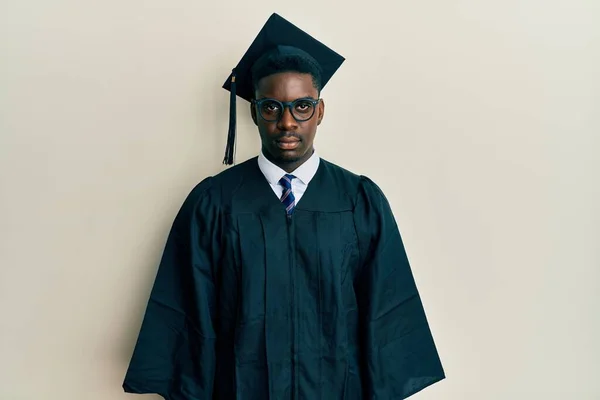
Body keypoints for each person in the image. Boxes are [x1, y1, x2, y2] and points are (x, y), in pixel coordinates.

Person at [123, 13, 445, 400]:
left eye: (302, 106)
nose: (287, 122)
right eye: (272, 107)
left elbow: (387, 312)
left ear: (320, 112)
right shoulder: (214, 202)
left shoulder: (358, 201)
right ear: (255, 112)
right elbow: (188, 312)